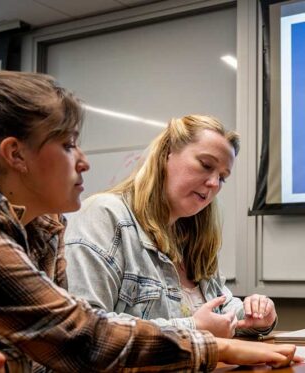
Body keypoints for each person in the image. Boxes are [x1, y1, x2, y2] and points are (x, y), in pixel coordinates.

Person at [0, 53, 301, 372]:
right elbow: (79, 338)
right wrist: (214, 348)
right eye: (68, 145)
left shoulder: (43, 228)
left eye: (223, 177)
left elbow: (41, 352)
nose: (83, 163)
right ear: (15, 154)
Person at [64, 115, 277, 339]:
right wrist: (192, 328)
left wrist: (257, 315)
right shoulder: (104, 215)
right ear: (167, 154)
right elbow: (84, 330)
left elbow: (219, 308)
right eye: (206, 165)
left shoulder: (190, 236)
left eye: (222, 177)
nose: (214, 183)